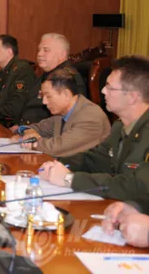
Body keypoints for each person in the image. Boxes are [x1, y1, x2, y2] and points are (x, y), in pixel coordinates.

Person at [39, 56, 149, 211]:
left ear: (132, 97)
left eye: (110, 88)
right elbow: (93, 160)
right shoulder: (119, 127)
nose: (103, 91)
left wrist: (70, 179)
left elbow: (136, 186)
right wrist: (58, 164)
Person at [10, 69, 110, 157]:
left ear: (66, 94)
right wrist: (27, 131)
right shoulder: (62, 113)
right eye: (43, 96)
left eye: (48, 96)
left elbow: (58, 148)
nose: (44, 102)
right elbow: (39, 127)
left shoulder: (91, 117)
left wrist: (33, 142)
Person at [14, 33, 86, 127]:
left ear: (62, 54)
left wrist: (29, 129)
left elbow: (65, 121)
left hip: (42, 133)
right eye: (39, 50)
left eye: (46, 50)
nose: (39, 54)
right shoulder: (47, 74)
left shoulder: (67, 78)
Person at [0, 34, 35, 126]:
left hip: (11, 123)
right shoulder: (4, 71)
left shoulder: (21, 71)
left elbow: (15, 108)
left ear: (9, 52)